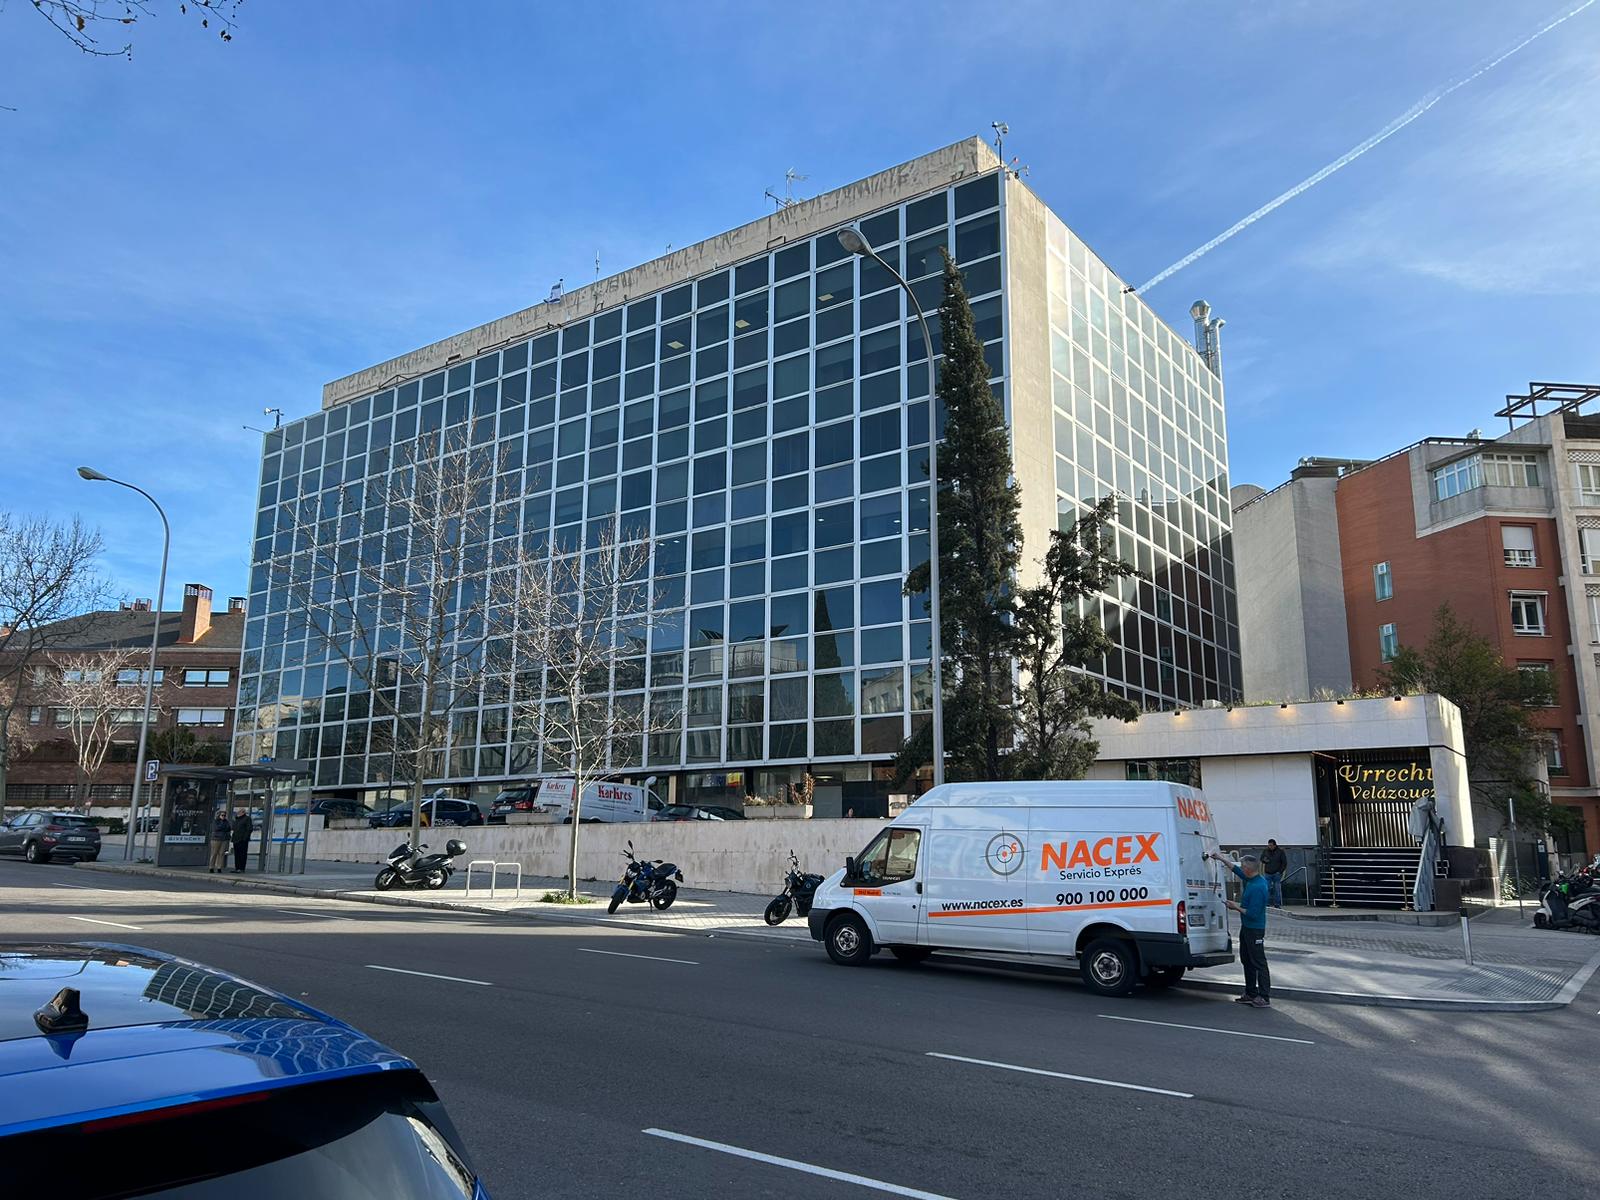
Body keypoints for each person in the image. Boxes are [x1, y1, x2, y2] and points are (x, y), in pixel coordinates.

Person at [1208, 850, 1271, 1008]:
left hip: (1255, 929)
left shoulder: (1258, 887)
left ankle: (1264, 996)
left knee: (1259, 962)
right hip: (1247, 928)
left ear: (1248, 870)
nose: (1241, 869)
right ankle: (1250, 993)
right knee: (1247, 960)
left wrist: (1235, 906)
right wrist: (1221, 858)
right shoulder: (1251, 878)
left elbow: (1253, 914)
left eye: (1243, 867)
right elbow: (1235, 869)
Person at [1261, 838, 1288, 908]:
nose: (1270, 847)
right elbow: (1262, 859)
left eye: (1271, 845)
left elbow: (1284, 863)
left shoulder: (1280, 852)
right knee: (1267, 888)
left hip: (1277, 873)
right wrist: (1265, 860)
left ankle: (1277, 904)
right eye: (1269, 845)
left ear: (1275, 845)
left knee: (1277, 889)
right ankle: (1266, 903)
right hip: (1268, 873)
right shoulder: (1265, 851)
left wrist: (1280, 871)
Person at [207, 808, 232, 874]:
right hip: (216, 839)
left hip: (224, 839)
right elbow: (216, 828)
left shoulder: (226, 821)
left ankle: (219, 867)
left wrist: (223, 827)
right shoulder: (215, 821)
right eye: (222, 815)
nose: (223, 817)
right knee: (214, 853)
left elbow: (229, 828)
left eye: (224, 815)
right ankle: (211, 867)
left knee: (221, 854)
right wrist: (223, 827)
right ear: (219, 815)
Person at [231, 807, 253, 873]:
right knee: (237, 854)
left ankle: (241, 868)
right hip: (236, 839)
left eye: (239, 812)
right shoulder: (237, 819)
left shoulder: (247, 819)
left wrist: (245, 838)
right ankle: (237, 868)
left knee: (242, 854)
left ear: (243, 812)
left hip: (242, 840)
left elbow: (249, 829)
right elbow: (234, 827)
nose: (237, 813)